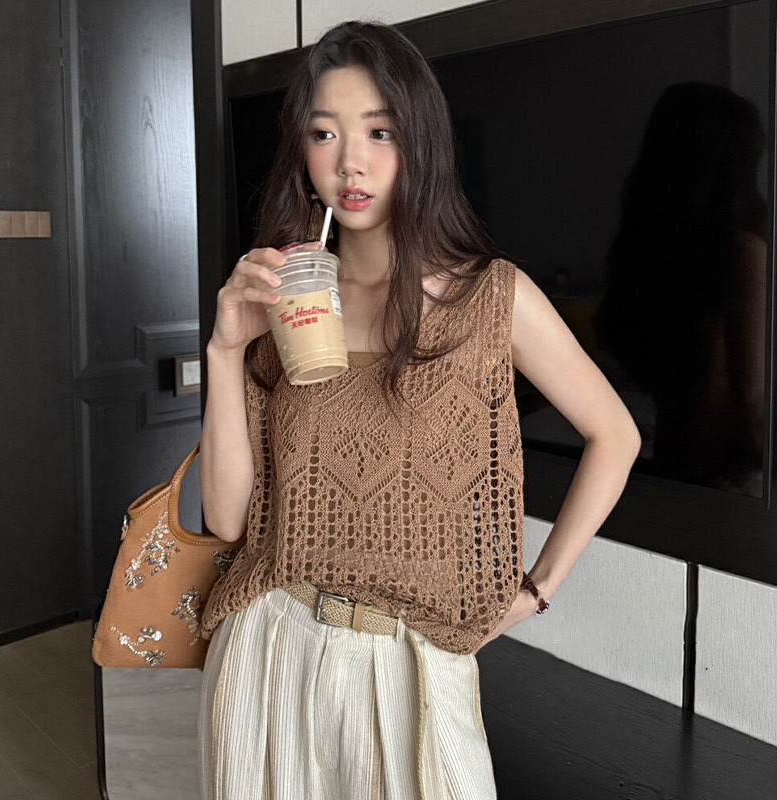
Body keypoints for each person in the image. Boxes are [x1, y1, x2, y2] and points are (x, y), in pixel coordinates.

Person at [196, 19, 641, 800]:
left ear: (420, 143)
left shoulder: (489, 297)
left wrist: (535, 591)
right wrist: (225, 351)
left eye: (380, 131)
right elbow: (230, 520)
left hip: (414, 668)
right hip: (270, 650)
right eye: (324, 133)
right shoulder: (287, 299)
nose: (351, 161)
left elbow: (615, 434)